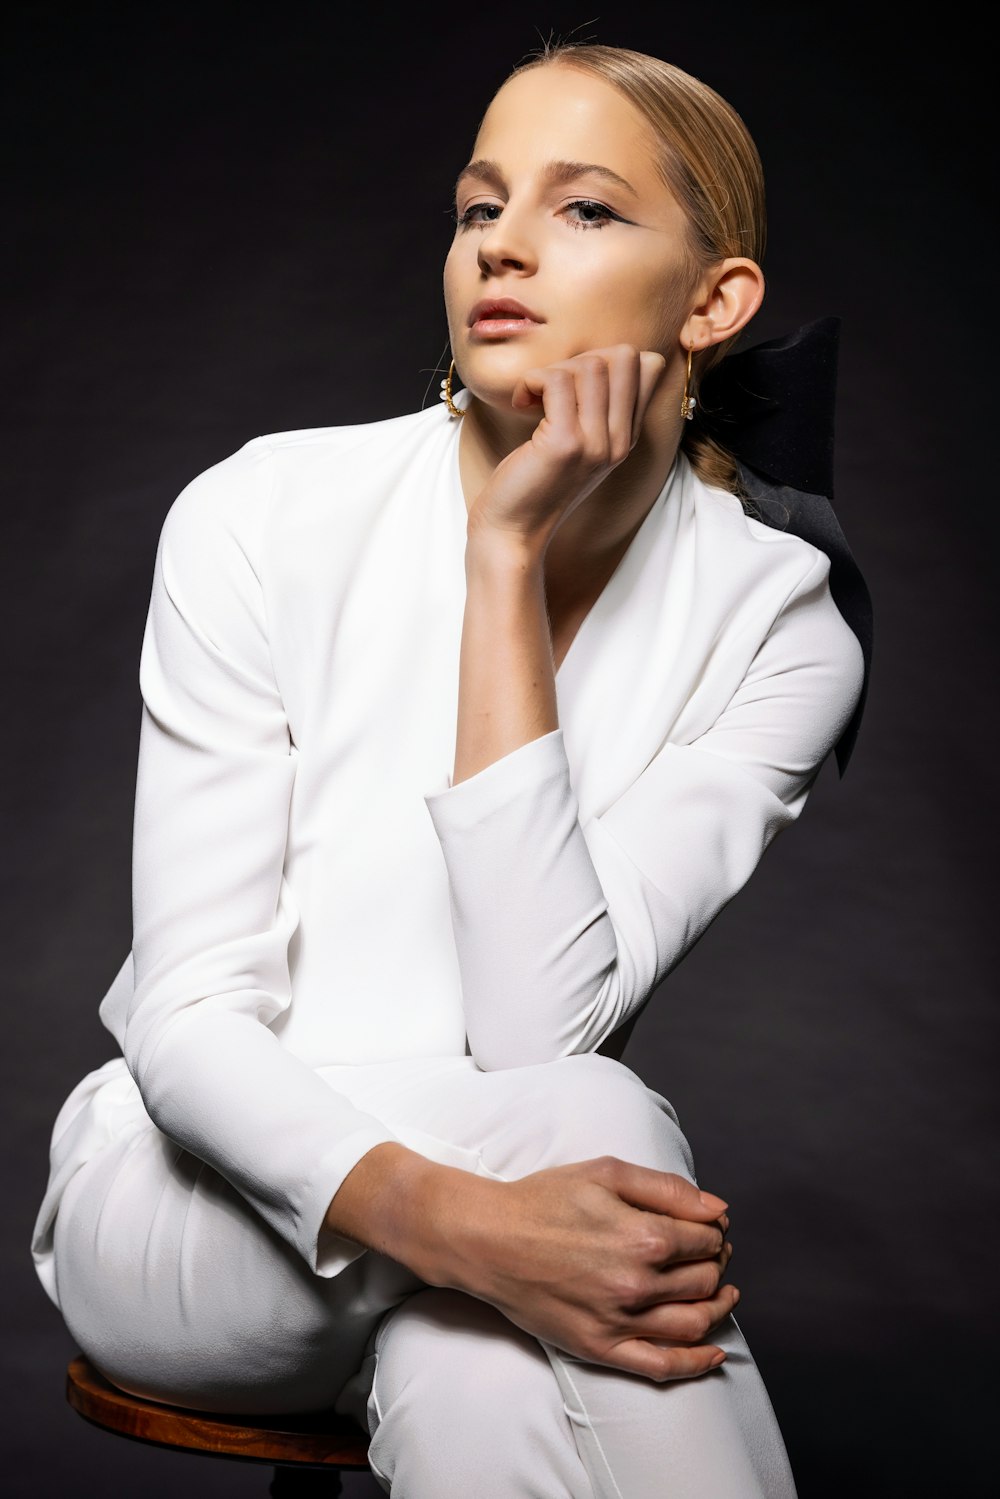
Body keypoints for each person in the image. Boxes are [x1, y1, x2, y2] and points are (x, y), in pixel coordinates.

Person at [30, 40, 870, 1498]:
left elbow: (535, 1019)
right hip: (191, 1218)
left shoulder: (782, 620)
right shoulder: (262, 514)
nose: (508, 247)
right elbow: (187, 1019)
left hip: (522, 1225)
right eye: (481, 208)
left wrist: (506, 569)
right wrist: (466, 1224)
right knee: (602, 1127)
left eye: (586, 210)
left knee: (476, 1356)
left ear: (716, 302)